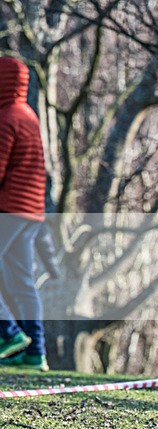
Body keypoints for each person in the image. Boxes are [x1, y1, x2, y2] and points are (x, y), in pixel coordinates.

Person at [0, 56, 48, 371]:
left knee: (21, 282)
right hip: (32, 211)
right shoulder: (28, 114)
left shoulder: (5, 118)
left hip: (9, 208)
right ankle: (35, 352)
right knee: (22, 283)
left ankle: (8, 333)